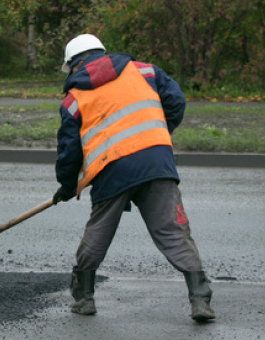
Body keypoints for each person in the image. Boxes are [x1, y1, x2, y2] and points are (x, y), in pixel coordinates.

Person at [52, 34, 215, 323]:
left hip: (111, 172)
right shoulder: (145, 71)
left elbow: (69, 152)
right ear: (102, 52)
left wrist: (66, 186)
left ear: (73, 64)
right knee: (173, 231)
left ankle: (83, 298)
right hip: (156, 161)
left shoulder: (74, 99)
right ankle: (201, 299)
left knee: (98, 232)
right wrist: (157, 137)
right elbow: (175, 101)